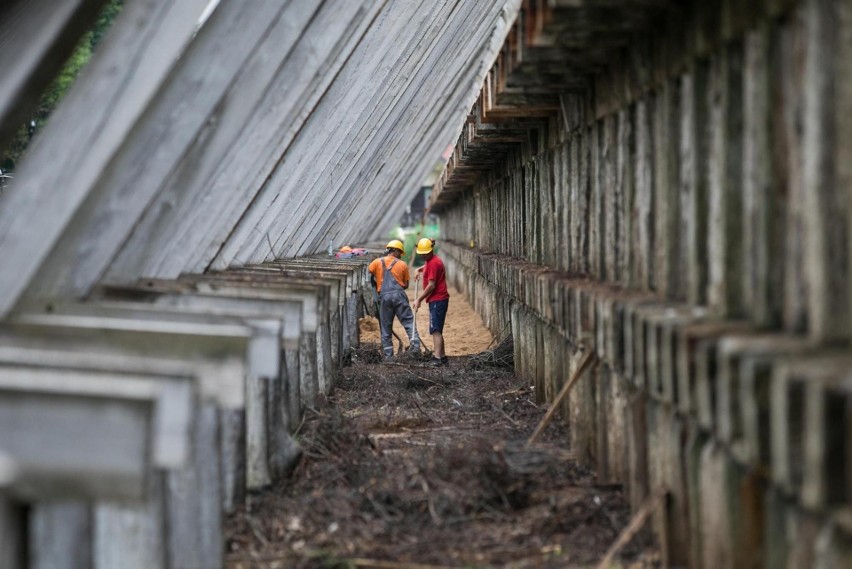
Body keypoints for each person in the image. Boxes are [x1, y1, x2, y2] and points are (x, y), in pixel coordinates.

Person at [368, 240, 420, 359]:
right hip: (399, 296)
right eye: (400, 252)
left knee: (386, 327)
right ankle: (416, 347)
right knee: (408, 322)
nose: (401, 255)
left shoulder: (376, 262)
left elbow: (370, 274)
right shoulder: (402, 264)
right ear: (395, 251)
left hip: (384, 297)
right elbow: (406, 285)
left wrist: (378, 282)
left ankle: (388, 357)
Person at [413, 237, 449, 367]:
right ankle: (443, 357)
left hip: (437, 300)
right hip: (439, 299)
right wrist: (419, 269)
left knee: (435, 330)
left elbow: (432, 285)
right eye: (421, 253)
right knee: (437, 329)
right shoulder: (432, 260)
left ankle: (437, 358)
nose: (423, 256)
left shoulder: (433, 263)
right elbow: (428, 265)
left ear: (430, 251)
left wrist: (419, 299)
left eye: (425, 253)